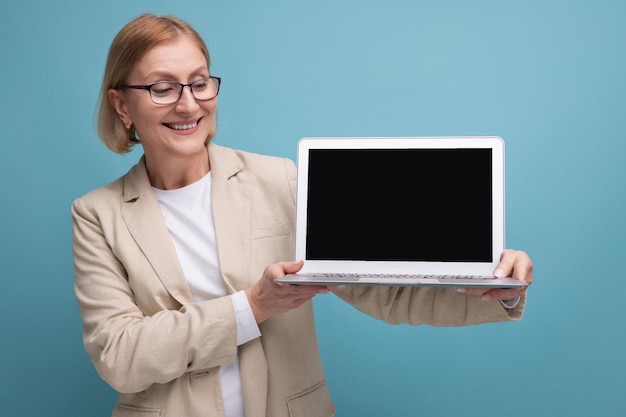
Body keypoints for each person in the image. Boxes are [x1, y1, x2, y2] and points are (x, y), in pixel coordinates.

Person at [71, 13, 533, 417]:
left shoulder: (282, 182)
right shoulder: (97, 216)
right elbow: (120, 356)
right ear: (121, 104)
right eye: (162, 87)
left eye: (199, 81)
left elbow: (385, 293)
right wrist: (254, 305)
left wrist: (496, 287)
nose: (189, 103)